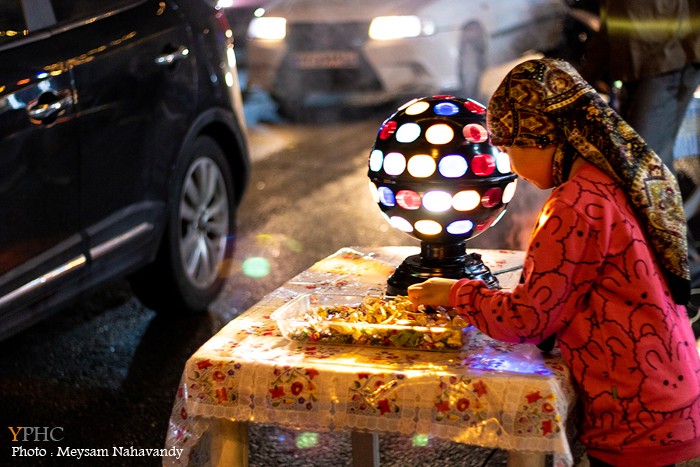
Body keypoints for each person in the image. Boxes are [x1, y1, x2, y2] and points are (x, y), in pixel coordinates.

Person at [407, 58, 700, 467]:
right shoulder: (608, 178)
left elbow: (527, 319)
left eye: (510, 147)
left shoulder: (575, 205)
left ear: (546, 135)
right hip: (666, 388)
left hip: (635, 409)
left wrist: (456, 293)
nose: (510, 165)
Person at [580, 0, 700, 292]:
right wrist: (586, 74)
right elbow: (615, 13)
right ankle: (666, 268)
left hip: (670, 59)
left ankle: (689, 274)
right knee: (639, 170)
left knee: (646, 172)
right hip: (635, 63)